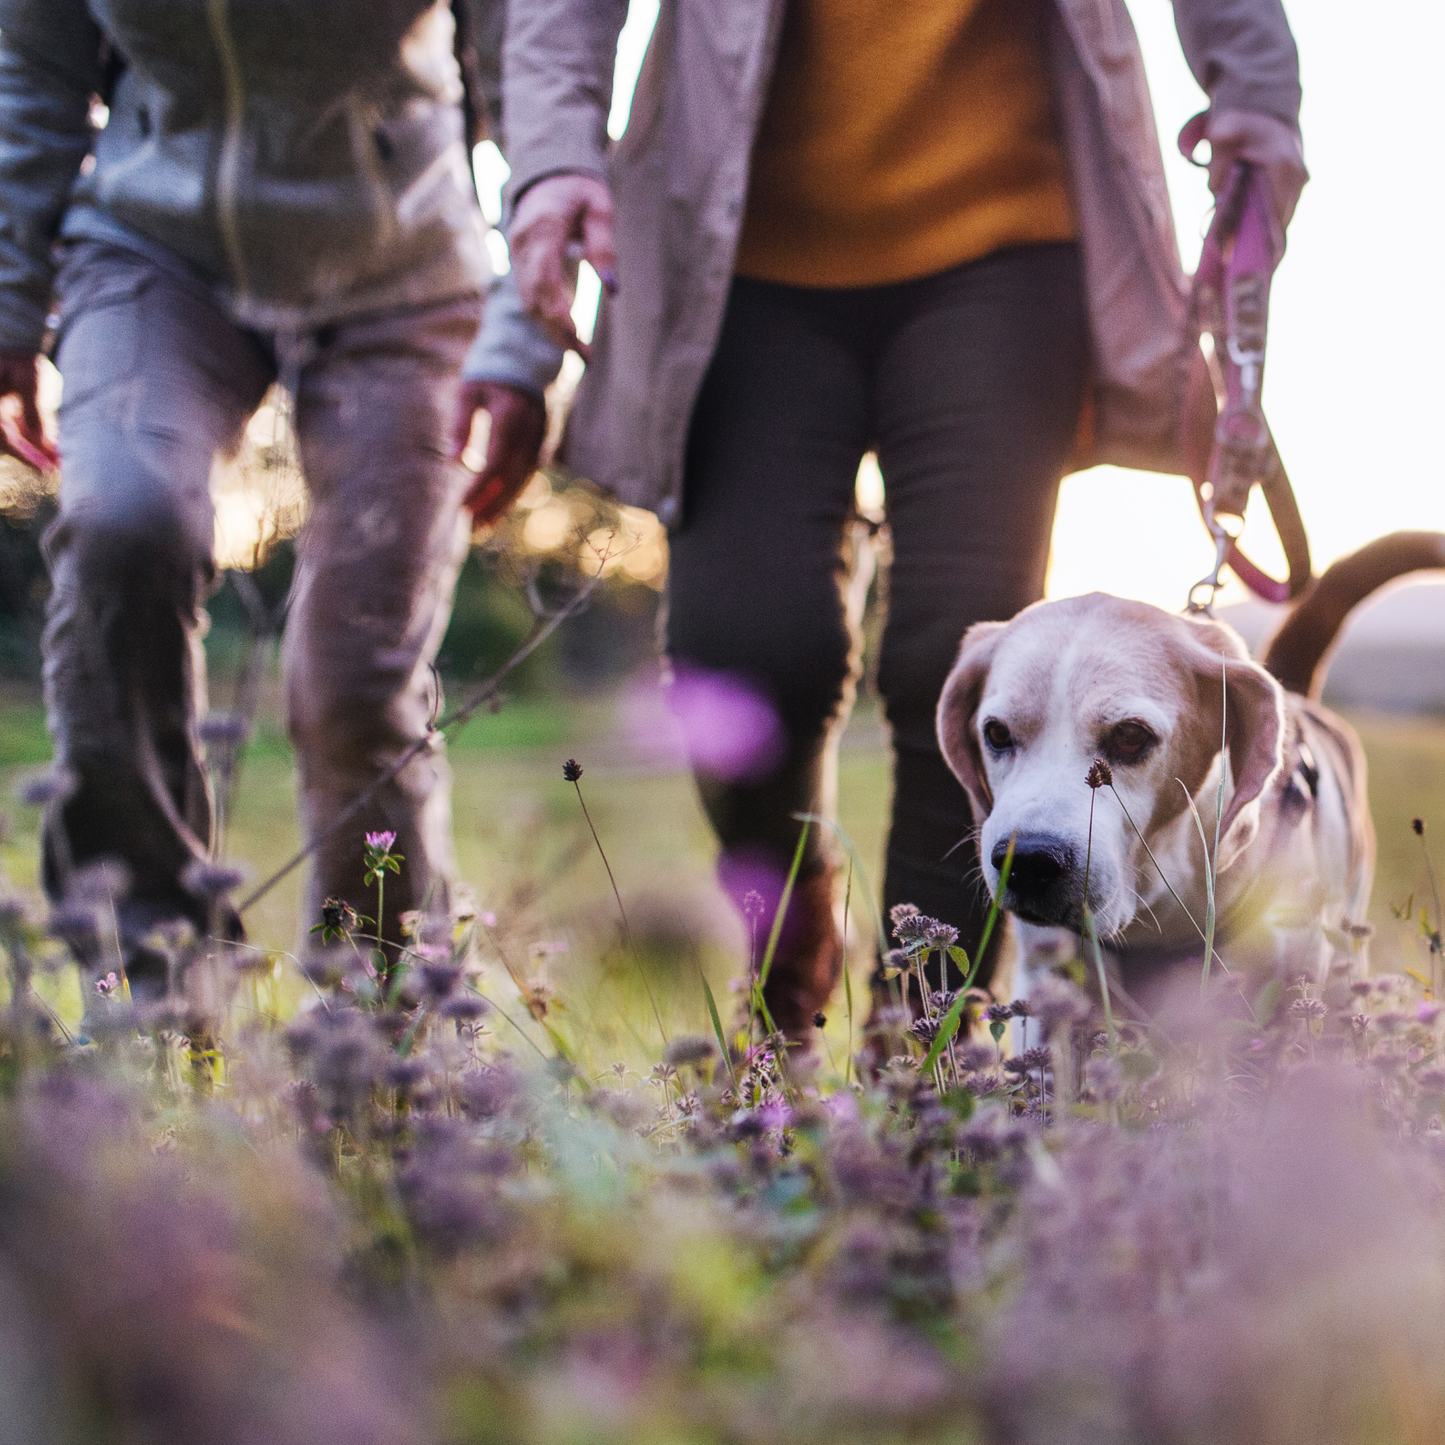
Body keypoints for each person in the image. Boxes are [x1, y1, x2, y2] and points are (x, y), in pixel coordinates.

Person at [492, 0, 1307, 1037]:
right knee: (741, 649)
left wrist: (1255, 94)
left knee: (956, 653)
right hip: (735, 244)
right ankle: (787, 940)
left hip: (1007, 245)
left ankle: (925, 1042)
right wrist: (553, 156)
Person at [0, 0, 550, 989]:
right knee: (123, 521)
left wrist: (523, 330)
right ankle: (149, 1000)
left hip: (406, 262)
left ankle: (378, 1035)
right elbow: (33, 69)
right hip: (148, 239)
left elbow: (533, 73)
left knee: (353, 676)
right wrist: (7, 297)